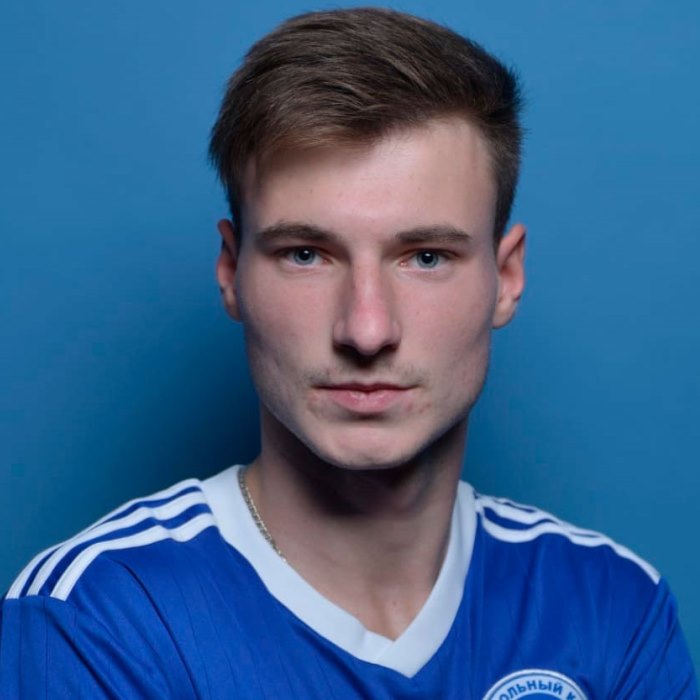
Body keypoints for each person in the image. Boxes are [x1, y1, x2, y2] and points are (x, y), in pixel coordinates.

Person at [1, 7, 696, 698]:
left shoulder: (613, 608)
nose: (366, 330)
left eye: (426, 257)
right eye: (306, 254)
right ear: (231, 272)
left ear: (506, 278)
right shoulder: (94, 619)